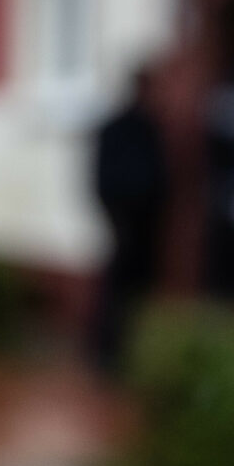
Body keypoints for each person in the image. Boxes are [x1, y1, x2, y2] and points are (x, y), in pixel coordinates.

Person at [86, 63, 169, 380]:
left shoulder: (151, 127)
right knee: (116, 289)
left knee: (140, 288)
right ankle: (106, 352)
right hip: (123, 222)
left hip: (147, 224)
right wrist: (117, 218)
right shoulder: (117, 127)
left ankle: (133, 350)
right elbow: (101, 179)